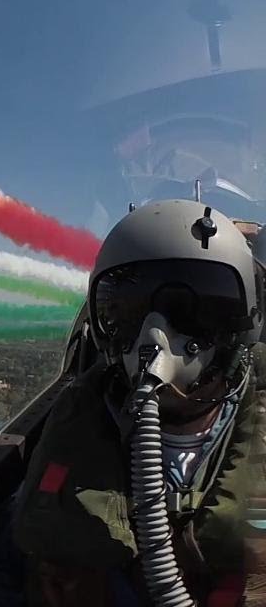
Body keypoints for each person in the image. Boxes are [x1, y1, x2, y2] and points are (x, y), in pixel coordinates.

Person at [13, 199, 263, 607]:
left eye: (190, 310)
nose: (156, 335)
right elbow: (7, 568)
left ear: (238, 322)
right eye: (128, 312)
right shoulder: (78, 425)